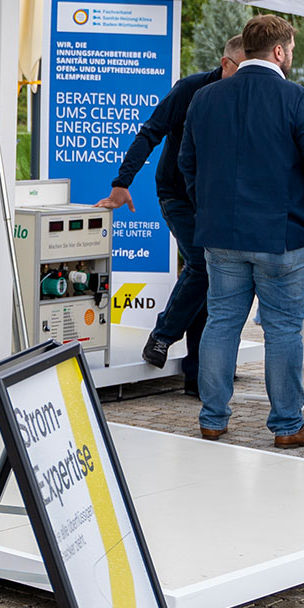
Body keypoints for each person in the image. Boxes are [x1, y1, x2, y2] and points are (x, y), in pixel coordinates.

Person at [178, 14, 304, 447]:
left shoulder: (206, 97)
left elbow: (186, 163)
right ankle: (287, 424)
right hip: (282, 235)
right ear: (281, 51)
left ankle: (213, 417)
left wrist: (206, 207)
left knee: (222, 322)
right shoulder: (298, 99)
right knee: (283, 329)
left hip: (221, 233)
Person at [103, 34, 243, 394]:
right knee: (202, 263)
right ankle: (163, 335)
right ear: (226, 63)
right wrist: (122, 182)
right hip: (177, 194)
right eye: (242, 68)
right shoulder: (191, 89)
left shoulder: (246, 96)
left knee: (211, 277)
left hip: (215, 200)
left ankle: (198, 377)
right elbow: (151, 132)